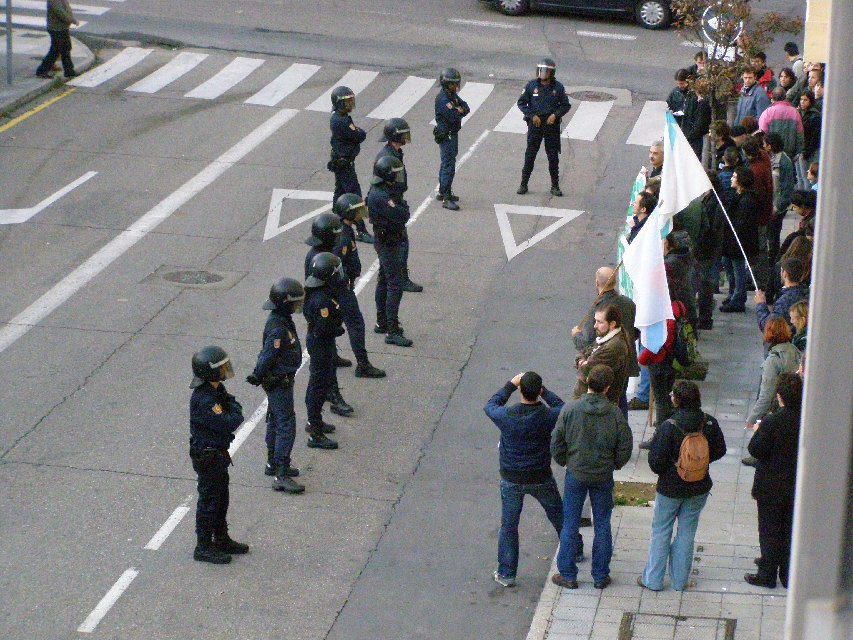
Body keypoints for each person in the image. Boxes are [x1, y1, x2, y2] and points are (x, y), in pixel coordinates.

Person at [638, 380, 726, 592]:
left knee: (661, 530)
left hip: (670, 488)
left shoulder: (669, 426)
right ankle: (679, 582)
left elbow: (655, 463)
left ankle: (654, 580)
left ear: (677, 400)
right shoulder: (709, 423)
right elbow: (720, 450)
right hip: (699, 486)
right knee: (687, 532)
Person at [551, 365, 632, 590]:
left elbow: (556, 441)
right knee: (603, 523)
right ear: (607, 388)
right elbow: (625, 445)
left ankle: (567, 574)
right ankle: (599, 575)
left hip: (576, 473)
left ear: (587, 381)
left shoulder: (571, 409)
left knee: (570, 523)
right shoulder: (614, 413)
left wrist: (564, 460)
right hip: (602, 475)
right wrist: (615, 463)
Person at [485, 372, 566, 587]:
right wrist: (545, 392)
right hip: (540, 474)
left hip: (511, 477)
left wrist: (510, 385)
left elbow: (491, 405)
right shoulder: (548, 416)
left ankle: (507, 573)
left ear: (520, 390)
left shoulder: (507, 416)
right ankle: (573, 550)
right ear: (539, 392)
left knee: (509, 525)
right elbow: (562, 406)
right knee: (557, 514)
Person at [189, 346, 248, 564]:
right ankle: (203, 546)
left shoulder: (217, 390)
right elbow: (230, 421)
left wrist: (232, 409)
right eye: (221, 367)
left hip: (217, 455)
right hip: (208, 456)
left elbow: (233, 405)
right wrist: (232, 411)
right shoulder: (204, 400)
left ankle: (221, 538)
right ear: (210, 371)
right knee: (209, 501)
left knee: (221, 499)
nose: (225, 370)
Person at [247, 279, 306, 494]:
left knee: (275, 420)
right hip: (279, 382)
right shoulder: (278, 328)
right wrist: (257, 374)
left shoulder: (281, 320)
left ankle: (273, 462)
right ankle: (280, 472)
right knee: (285, 425)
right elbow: (268, 355)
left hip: (280, 379)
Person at [745, 373, 802, 588]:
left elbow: (756, 449)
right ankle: (788, 574)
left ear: (780, 396)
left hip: (770, 485)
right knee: (789, 529)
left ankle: (767, 573)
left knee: (769, 530)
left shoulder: (773, 421)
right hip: (796, 484)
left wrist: (758, 431)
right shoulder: (806, 420)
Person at [304, 213, 355, 418]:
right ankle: (332, 395)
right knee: (323, 368)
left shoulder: (322, 254)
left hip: (327, 312)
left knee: (328, 355)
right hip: (322, 321)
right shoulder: (317, 259)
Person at [329, 197, 387, 378]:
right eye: (356, 211)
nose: (360, 215)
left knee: (332, 323)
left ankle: (331, 356)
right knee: (355, 324)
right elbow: (335, 265)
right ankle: (363, 364)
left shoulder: (343, 229)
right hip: (341, 289)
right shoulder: (343, 237)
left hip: (341, 288)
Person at [368, 155, 414, 347]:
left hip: (386, 239)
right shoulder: (382, 197)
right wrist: (401, 205)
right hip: (388, 242)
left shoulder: (381, 191)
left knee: (384, 279)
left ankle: (382, 321)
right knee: (394, 285)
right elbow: (402, 215)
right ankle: (391, 330)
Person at [744, 317, 801, 470]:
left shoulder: (773, 359)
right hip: (792, 404)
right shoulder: (793, 350)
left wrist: (752, 418)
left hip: (776, 406)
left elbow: (766, 395)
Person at [303, 253, 345, 450]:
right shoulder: (322, 300)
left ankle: (316, 421)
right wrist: (337, 328)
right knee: (318, 386)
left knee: (320, 383)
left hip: (320, 341)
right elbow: (324, 327)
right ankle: (315, 430)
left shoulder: (318, 292)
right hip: (321, 344)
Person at [376, 117, 423, 293]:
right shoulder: (387, 157)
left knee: (400, 243)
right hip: (391, 204)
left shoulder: (394, 153)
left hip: (395, 200)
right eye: (403, 134)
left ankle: (395, 276)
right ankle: (400, 279)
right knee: (400, 243)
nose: (406, 137)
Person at [516, 58, 572, 197]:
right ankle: (523, 184)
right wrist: (531, 115)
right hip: (535, 126)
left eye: (545, 71)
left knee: (553, 157)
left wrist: (555, 115)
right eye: (540, 70)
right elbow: (522, 103)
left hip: (551, 127)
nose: (542, 74)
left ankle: (555, 185)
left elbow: (566, 105)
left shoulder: (558, 88)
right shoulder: (531, 86)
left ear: (551, 73)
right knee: (530, 155)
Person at [571, 267, 638, 379]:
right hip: (625, 362)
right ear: (615, 282)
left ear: (597, 282)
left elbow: (588, 343)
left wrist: (576, 335)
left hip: (604, 368)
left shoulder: (598, 309)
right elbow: (635, 331)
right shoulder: (629, 303)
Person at [638, 300, 687, 450]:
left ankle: (660, 437)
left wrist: (641, 359)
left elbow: (653, 347)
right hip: (670, 362)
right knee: (665, 399)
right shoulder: (677, 308)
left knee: (661, 401)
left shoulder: (663, 320)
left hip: (659, 364)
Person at [328, 86, 373, 243]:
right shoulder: (340, 120)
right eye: (347, 102)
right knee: (354, 196)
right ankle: (361, 230)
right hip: (344, 163)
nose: (350, 104)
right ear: (339, 103)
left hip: (343, 162)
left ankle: (335, 222)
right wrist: (358, 132)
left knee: (340, 192)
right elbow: (358, 134)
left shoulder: (342, 117)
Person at [573, 306, 632, 415]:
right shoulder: (605, 338)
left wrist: (584, 363)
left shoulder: (613, 346)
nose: (595, 326)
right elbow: (584, 352)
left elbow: (586, 370)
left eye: (600, 322)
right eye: (595, 321)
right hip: (590, 404)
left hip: (596, 408)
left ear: (612, 324)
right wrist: (583, 360)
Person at [719, 166, 759, 313]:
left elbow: (741, 224)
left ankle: (738, 299)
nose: (731, 179)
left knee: (738, 271)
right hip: (732, 242)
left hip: (739, 243)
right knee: (731, 269)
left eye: (734, 177)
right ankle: (733, 294)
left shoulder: (747, 200)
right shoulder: (738, 196)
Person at [434, 68, 470, 211]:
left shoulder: (452, 95)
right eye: (454, 84)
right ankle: (446, 197)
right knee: (448, 165)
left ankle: (443, 191)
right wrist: (459, 110)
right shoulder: (444, 99)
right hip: (447, 135)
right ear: (447, 84)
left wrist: (460, 109)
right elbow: (454, 116)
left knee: (447, 163)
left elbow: (466, 107)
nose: (457, 86)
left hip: (451, 133)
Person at [763, 132, 796, 276]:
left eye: (765, 144)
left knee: (773, 236)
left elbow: (787, 187)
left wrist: (778, 207)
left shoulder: (784, 162)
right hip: (771, 203)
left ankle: (773, 263)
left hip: (777, 206)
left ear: (770, 145)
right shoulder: (772, 159)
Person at [696, 175, 725, 330]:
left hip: (707, 249)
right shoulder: (710, 199)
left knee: (705, 284)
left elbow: (711, 228)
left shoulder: (714, 202)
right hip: (708, 249)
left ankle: (705, 318)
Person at [755, 257, 809, 333]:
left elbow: (768, 326)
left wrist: (760, 304)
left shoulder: (785, 300)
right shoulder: (806, 293)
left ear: (785, 274)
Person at [35, 0, 80, 79]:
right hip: (56, 28)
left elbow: (65, 9)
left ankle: (69, 72)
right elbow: (60, 12)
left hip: (62, 27)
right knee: (56, 50)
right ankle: (41, 71)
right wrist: (72, 20)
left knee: (66, 49)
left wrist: (70, 19)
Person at [682, 78, 712, 160]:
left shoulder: (703, 104)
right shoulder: (706, 102)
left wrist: (689, 136)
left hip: (698, 140)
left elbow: (699, 125)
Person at [797, 91, 821, 187]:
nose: (802, 102)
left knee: (807, 178)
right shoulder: (801, 113)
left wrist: (806, 152)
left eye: (805, 100)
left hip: (809, 152)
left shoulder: (814, 116)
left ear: (810, 101)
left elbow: (814, 138)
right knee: (800, 178)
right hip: (801, 150)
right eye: (801, 99)